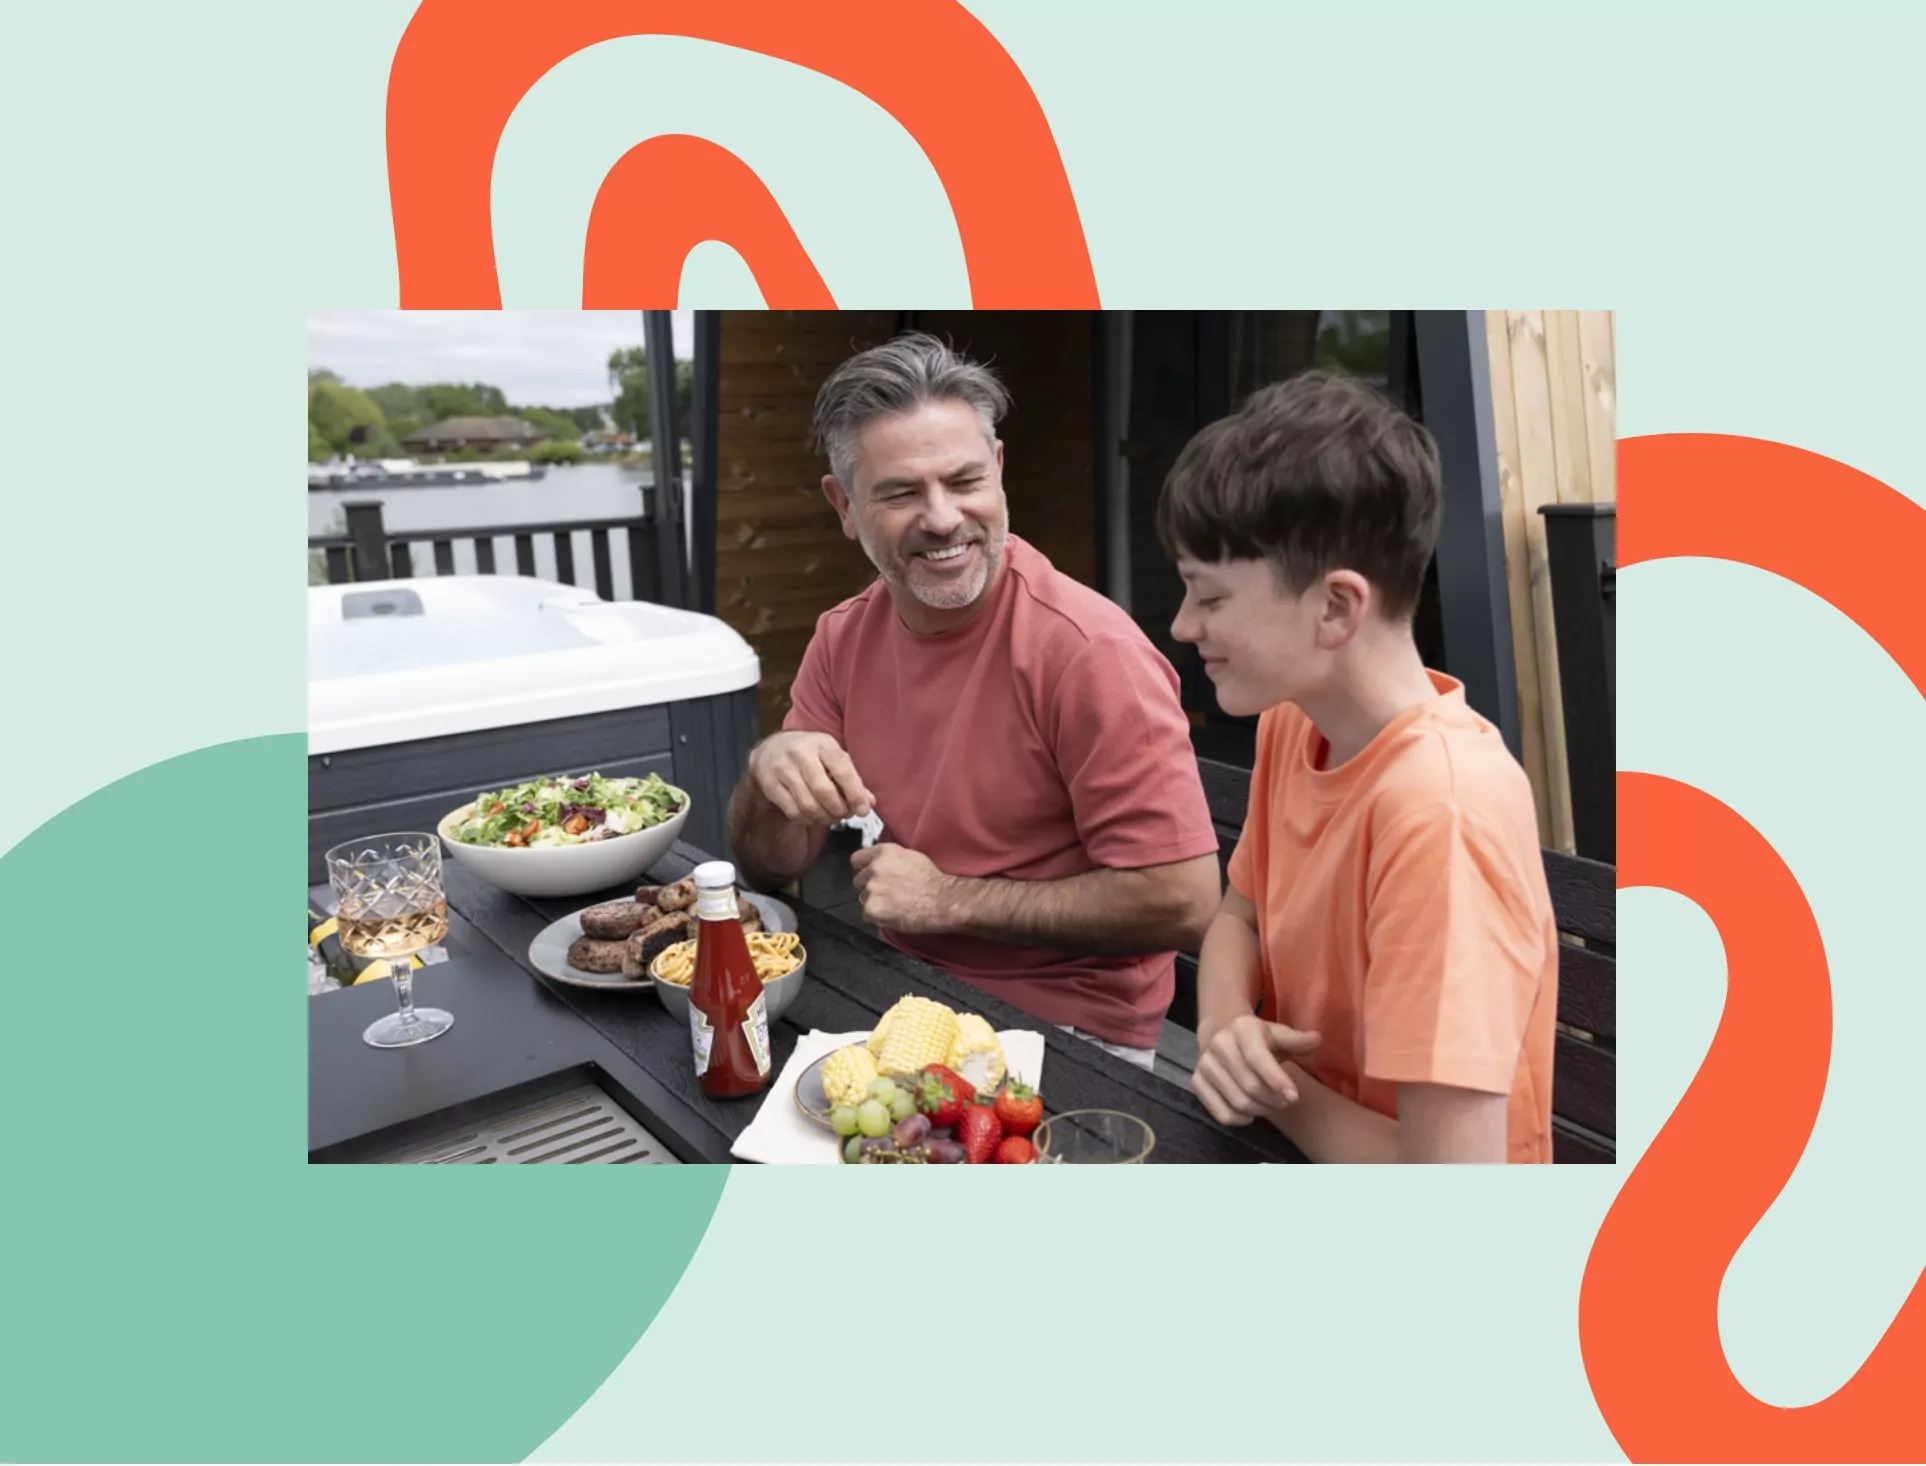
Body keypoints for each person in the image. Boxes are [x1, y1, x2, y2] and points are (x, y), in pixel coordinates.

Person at [725, 333, 1221, 1069]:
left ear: (1000, 470)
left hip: (1069, 1036)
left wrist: (946, 900)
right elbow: (769, 865)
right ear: (845, 507)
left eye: (964, 481)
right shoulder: (842, 636)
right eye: (900, 492)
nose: (943, 518)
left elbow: (1185, 900)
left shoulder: (1089, 651)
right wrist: (772, 774)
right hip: (901, 995)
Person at [1159, 370, 1558, 1162]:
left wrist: (1276, 1091)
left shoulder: (1440, 810)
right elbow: (1240, 916)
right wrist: (1225, 1025)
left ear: (1338, 608)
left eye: (1209, 598)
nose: (1180, 625)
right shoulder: (1291, 722)